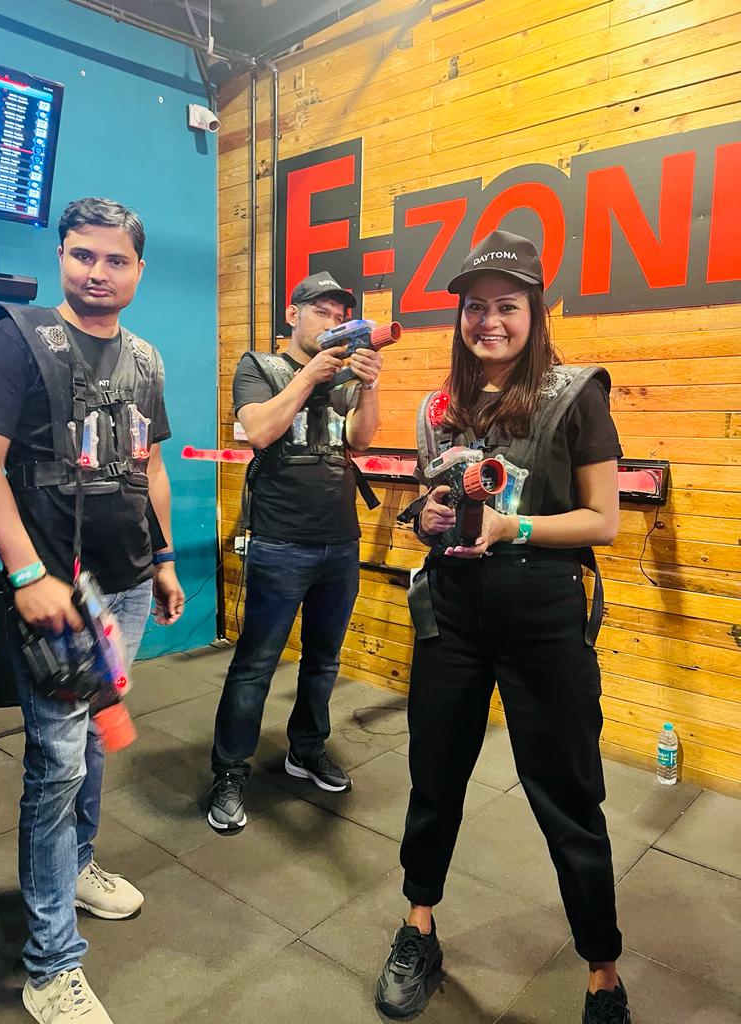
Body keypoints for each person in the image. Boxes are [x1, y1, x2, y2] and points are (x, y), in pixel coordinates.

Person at [375, 230, 630, 1024]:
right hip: (452, 611)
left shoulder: (575, 394)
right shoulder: (439, 406)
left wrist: (513, 528)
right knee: (435, 775)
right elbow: (430, 503)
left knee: (567, 793)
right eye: (476, 307)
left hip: (542, 613)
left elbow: (603, 521)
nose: (489, 321)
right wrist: (428, 518)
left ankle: (603, 971)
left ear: (535, 311)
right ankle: (419, 927)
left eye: (507, 306)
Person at [0, 197, 184, 1024]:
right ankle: (50, 964)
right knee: (57, 766)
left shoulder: (146, 358)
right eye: (83, 255)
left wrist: (163, 562)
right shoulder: (16, 339)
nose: (98, 272)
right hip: (56, 596)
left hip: (123, 590)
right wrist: (26, 573)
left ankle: (77, 866)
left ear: (138, 269)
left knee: (96, 739)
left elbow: (149, 470)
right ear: (62, 256)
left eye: (115, 259)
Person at [208, 272, 382, 833]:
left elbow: (360, 439)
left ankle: (305, 749)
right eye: (322, 312)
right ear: (293, 314)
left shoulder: (344, 374)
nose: (333, 323)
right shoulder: (259, 366)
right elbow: (259, 430)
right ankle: (229, 772)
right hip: (280, 541)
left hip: (340, 541)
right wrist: (309, 375)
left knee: (324, 660)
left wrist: (369, 384)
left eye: (341, 316)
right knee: (255, 664)